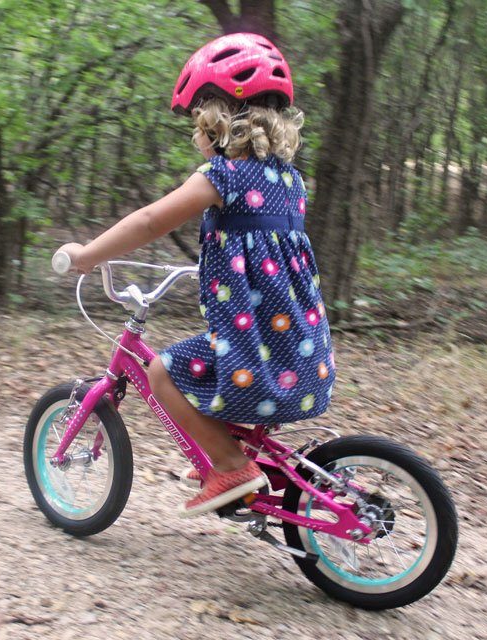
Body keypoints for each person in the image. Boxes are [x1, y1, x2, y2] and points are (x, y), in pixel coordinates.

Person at [59, 33, 335, 517]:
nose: (195, 136)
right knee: (213, 365)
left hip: (256, 352)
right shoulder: (290, 180)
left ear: (219, 120)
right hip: (301, 350)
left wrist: (87, 255)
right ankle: (227, 452)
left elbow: (150, 221)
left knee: (163, 373)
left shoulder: (224, 175)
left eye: (196, 123)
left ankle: (230, 464)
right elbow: (264, 248)